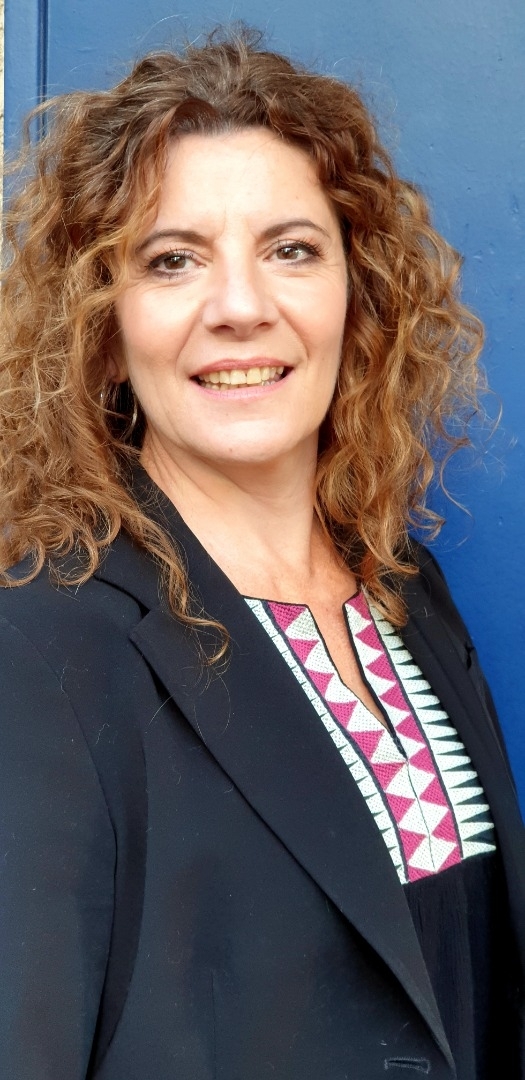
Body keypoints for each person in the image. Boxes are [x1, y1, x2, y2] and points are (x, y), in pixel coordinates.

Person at [0, 25, 523, 1080]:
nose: (241, 307)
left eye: (291, 249)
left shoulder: (406, 592)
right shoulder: (42, 645)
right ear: (102, 326)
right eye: (173, 260)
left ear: (356, 295)